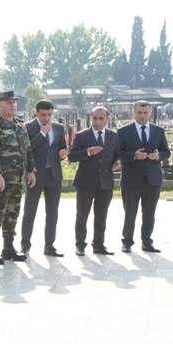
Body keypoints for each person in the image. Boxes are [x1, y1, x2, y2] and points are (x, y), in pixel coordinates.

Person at [0, 91, 37, 264]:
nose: (12, 105)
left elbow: (27, 149)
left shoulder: (20, 126)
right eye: (8, 102)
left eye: (14, 102)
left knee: (12, 214)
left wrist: (30, 170)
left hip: (17, 179)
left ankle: (9, 247)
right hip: (0, 181)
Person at [117, 101, 170, 253]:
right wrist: (133, 155)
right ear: (134, 112)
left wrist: (158, 155)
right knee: (130, 213)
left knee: (149, 213)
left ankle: (147, 242)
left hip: (152, 179)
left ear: (150, 113)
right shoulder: (123, 131)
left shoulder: (158, 131)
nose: (142, 115)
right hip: (131, 180)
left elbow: (166, 152)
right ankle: (127, 242)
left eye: (145, 113)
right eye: (139, 112)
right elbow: (118, 153)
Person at [69, 106, 120, 256]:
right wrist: (87, 152)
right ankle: (80, 245)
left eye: (101, 118)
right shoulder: (82, 136)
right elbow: (71, 157)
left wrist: (118, 162)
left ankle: (98, 245)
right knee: (82, 215)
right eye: (95, 118)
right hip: (86, 182)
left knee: (101, 215)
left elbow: (118, 155)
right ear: (91, 118)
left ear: (107, 119)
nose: (98, 121)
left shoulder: (114, 136)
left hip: (105, 183)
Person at [21, 100, 68, 257]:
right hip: (35, 175)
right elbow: (26, 150)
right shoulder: (27, 127)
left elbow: (61, 147)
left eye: (49, 114)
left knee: (52, 212)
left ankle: (49, 246)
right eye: (43, 115)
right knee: (30, 211)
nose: (46, 118)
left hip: (54, 175)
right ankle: (25, 245)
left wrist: (63, 152)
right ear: (36, 112)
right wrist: (42, 133)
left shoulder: (59, 128)